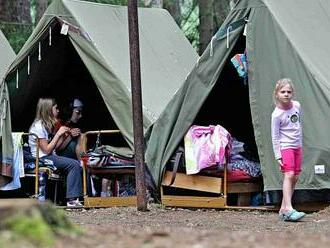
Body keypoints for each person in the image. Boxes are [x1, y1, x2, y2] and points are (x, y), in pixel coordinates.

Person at [29, 98, 83, 207]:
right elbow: (47, 150)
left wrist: (66, 135)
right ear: (48, 110)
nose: (58, 111)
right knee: (74, 164)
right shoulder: (38, 127)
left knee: (75, 164)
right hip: (42, 158)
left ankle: (71, 199)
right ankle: (72, 201)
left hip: (49, 155)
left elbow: (55, 148)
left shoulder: (45, 125)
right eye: (56, 108)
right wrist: (58, 134)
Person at [271, 78, 306, 221]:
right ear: (277, 94)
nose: (286, 94)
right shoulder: (276, 115)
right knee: (289, 174)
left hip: (297, 146)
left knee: (296, 177)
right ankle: (289, 208)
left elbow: (298, 125)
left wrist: (300, 144)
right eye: (283, 91)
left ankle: (283, 208)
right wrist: (278, 156)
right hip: (285, 147)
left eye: (289, 92)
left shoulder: (296, 105)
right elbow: (275, 136)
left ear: (293, 93)